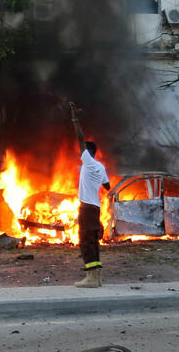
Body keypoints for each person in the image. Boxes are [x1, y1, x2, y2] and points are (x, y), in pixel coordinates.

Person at [71, 104, 110, 288]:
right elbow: (108, 186)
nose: (81, 153)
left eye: (83, 151)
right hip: (95, 207)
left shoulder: (88, 161)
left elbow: (80, 138)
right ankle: (97, 276)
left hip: (87, 207)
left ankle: (91, 278)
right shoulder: (101, 168)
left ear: (88, 153)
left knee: (86, 241)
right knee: (93, 241)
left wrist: (75, 119)